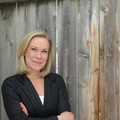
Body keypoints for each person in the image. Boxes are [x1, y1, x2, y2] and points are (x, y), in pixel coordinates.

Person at [1, 30, 75, 120]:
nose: (39, 56)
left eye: (44, 51)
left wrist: (29, 118)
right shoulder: (11, 84)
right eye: (33, 49)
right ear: (24, 51)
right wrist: (58, 118)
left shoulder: (56, 81)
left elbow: (68, 118)